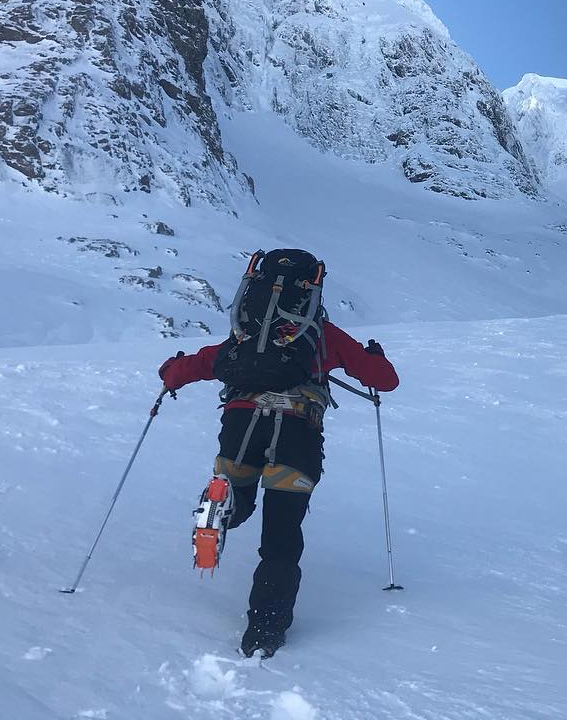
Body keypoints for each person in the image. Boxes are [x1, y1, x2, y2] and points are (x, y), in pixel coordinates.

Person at [156, 248, 399, 657]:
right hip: (297, 432)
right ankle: (264, 633)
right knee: (281, 538)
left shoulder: (245, 336)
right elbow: (385, 381)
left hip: (239, 426)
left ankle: (224, 508)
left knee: (242, 497)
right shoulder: (322, 335)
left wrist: (171, 372)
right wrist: (375, 357)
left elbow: (190, 367)